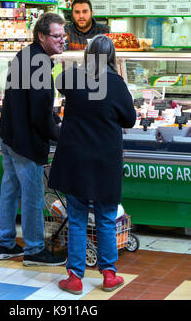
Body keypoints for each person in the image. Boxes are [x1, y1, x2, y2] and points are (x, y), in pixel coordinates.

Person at [48, 34, 136, 293]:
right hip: (104, 162)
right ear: (111, 57)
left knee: (76, 218)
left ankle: (74, 278)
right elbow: (129, 119)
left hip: (75, 159)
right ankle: (109, 275)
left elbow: (59, 82)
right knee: (106, 218)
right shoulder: (116, 83)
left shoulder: (74, 77)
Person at [0, 12, 67, 267]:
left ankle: (4, 244)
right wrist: (59, 134)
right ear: (41, 35)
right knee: (33, 196)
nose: (62, 40)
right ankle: (35, 249)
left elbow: (30, 104)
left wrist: (53, 120)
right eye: (57, 36)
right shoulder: (40, 63)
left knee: (10, 190)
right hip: (25, 142)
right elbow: (39, 113)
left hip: (9, 135)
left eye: (63, 35)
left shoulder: (25, 54)